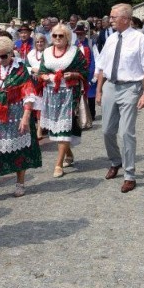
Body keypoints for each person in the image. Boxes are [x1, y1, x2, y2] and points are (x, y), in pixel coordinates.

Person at [95, 3, 144, 193]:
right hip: (111, 86)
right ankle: (116, 161)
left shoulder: (139, 39)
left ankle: (129, 174)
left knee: (126, 132)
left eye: (113, 17)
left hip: (130, 87)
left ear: (125, 19)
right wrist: (99, 90)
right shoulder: (111, 39)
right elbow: (103, 67)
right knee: (106, 130)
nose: (110, 19)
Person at [0, 36, 41, 201]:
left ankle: (20, 183)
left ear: (11, 53)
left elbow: (29, 95)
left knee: (20, 150)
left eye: (4, 56)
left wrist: (25, 118)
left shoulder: (21, 69)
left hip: (17, 114)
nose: (1, 59)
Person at [38, 23, 89, 178]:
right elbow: (41, 70)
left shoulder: (75, 52)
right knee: (56, 128)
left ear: (67, 37)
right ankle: (69, 155)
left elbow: (84, 70)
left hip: (69, 93)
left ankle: (58, 164)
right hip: (51, 93)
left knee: (65, 127)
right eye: (55, 35)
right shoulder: (47, 52)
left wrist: (73, 75)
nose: (58, 38)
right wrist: (44, 76)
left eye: (61, 36)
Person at [24, 34, 48, 140]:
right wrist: (33, 70)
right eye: (37, 42)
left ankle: (40, 129)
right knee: (32, 104)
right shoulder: (31, 54)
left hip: (44, 83)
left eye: (41, 41)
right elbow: (26, 66)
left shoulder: (48, 53)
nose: (39, 43)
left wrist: (42, 72)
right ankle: (32, 129)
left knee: (41, 106)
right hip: (32, 81)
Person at [74, 21, 97, 124]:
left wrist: (95, 73)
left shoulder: (91, 43)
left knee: (91, 94)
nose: (80, 35)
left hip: (90, 72)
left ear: (85, 33)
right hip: (79, 73)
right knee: (80, 94)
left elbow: (97, 58)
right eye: (78, 34)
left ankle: (92, 113)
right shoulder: (74, 45)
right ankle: (81, 115)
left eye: (81, 33)